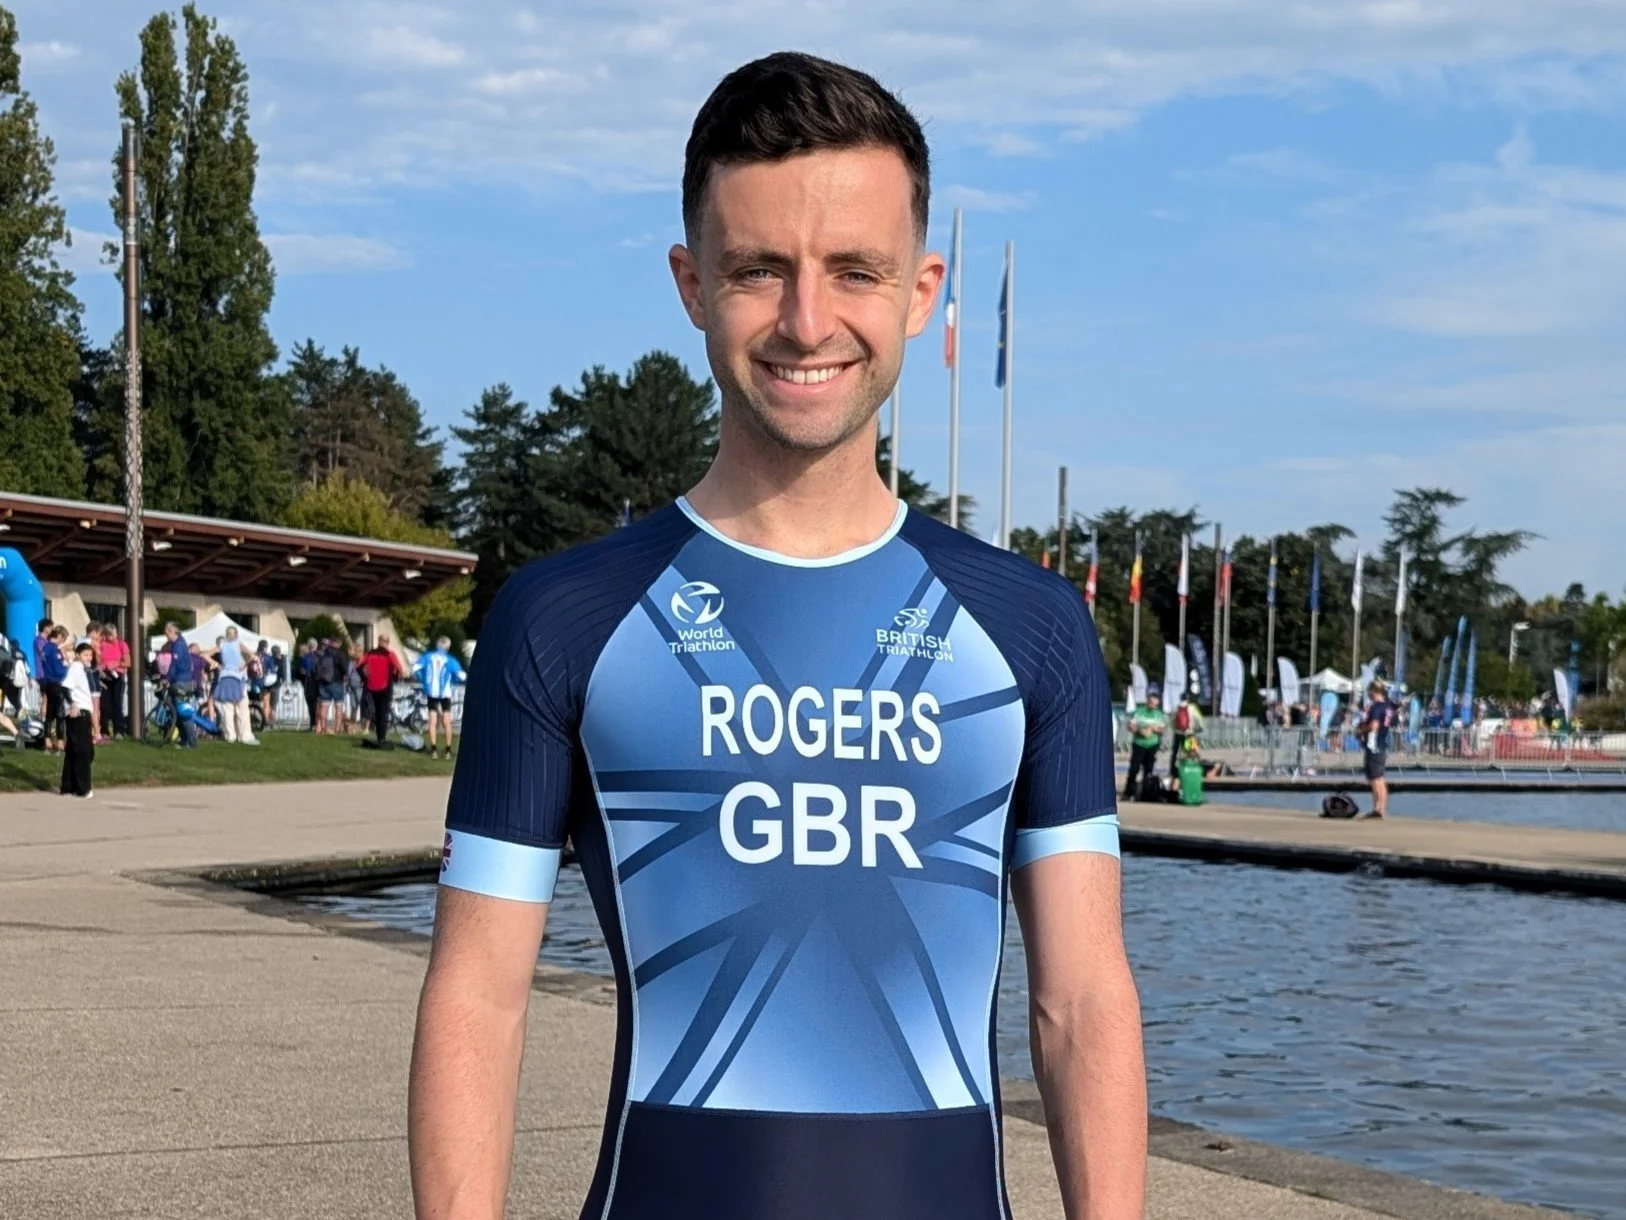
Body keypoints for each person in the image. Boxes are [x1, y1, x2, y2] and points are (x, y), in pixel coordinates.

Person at [410, 54, 1146, 1220]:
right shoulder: (565, 617)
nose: (809, 322)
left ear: (920, 288)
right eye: (759, 270)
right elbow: (478, 992)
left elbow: (1082, 999)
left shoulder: (1031, 630)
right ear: (691, 281)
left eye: (854, 268)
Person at [414, 635, 466, 760]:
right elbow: (462, 676)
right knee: (447, 722)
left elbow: (415, 669)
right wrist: (453, 680)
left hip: (431, 692)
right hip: (445, 693)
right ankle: (448, 751)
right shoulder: (450, 660)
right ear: (448, 647)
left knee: (432, 720)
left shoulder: (427, 657)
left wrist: (424, 681)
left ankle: (433, 750)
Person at [60, 640, 96, 797]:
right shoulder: (76, 667)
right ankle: (83, 788)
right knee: (83, 751)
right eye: (86, 654)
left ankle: (68, 786)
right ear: (78, 655)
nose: (89, 658)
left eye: (91, 655)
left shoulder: (84, 670)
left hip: (84, 713)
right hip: (78, 714)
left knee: (74, 751)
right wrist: (72, 704)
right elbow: (65, 687)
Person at [211, 627, 258, 745]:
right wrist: (244, 664)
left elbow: (205, 654)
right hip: (238, 677)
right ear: (237, 634)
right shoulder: (239, 644)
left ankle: (230, 736)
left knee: (227, 709)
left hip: (225, 676)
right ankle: (244, 736)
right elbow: (253, 656)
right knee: (242, 709)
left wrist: (216, 663)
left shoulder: (222, 645)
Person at [358, 636, 402, 748]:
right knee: (383, 712)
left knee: (377, 711)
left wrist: (364, 678)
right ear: (387, 643)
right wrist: (395, 677)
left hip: (372, 686)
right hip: (385, 686)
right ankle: (381, 737)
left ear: (378, 642)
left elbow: (359, 666)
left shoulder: (369, 653)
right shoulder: (389, 654)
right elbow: (399, 668)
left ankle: (379, 736)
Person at [1358, 680, 1394, 818]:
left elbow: (1374, 725)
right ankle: (1380, 808)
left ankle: (1379, 808)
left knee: (1375, 778)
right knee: (1379, 777)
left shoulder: (1377, 707)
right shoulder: (1388, 707)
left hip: (1374, 745)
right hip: (1382, 743)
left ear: (1373, 692)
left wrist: (1362, 729)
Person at [161, 622, 199, 748]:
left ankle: (191, 742)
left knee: (183, 713)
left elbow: (174, 665)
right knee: (173, 711)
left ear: (171, 631)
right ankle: (184, 739)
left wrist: (167, 679)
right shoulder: (181, 642)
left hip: (181, 682)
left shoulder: (178, 645)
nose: (166, 636)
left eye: (167, 633)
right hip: (184, 681)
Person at [1123, 688, 1166, 799]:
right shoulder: (1139, 711)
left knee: (1148, 770)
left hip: (1152, 745)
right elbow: (1130, 726)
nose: (1153, 705)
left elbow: (1162, 729)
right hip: (1139, 744)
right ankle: (1128, 793)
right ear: (1148, 701)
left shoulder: (1159, 714)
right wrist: (1139, 730)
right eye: (1151, 703)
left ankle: (1146, 793)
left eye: (1155, 704)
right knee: (1134, 769)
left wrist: (1153, 729)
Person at [38, 626, 70, 754]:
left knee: (49, 715)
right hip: (56, 683)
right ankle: (61, 744)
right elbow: (58, 670)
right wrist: (67, 666)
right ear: (59, 636)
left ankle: (47, 742)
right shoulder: (54, 650)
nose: (62, 642)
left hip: (47, 683)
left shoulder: (45, 648)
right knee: (60, 714)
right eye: (63, 639)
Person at [99, 623, 131, 738]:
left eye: (114, 634)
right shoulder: (102, 645)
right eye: (111, 636)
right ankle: (104, 730)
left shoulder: (122, 645)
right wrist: (102, 666)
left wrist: (117, 663)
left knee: (117, 703)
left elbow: (128, 663)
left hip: (117, 675)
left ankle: (119, 730)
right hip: (105, 675)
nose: (113, 637)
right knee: (105, 704)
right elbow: (98, 660)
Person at [1169, 689, 1204, 776]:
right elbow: (1199, 719)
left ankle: (1172, 771)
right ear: (1188, 699)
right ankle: (1192, 770)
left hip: (1178, 734)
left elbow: (1172, 721)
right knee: (1192, 752)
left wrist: (1175, 729)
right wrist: (1199, 728)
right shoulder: (1192, 707)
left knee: (1175, 753)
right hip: (1189, 733)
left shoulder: (1176, 707)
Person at [315, 638, 345, 734]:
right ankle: (337, 729)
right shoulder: (340, 654)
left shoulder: (323, 653)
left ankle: (323, 728)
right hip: (337, 682)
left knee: (324, 706)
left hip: (323, 683)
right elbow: (344, 668)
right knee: (338, 706)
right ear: (339, 643)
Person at [299, 639, 321, 731]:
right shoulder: (321, 656)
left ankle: (313, 724)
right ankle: (320, 724)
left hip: (310, 681)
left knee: (311, 704)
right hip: (320, 682)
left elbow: (302, 671)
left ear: (308, 646)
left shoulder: (306, 658)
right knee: (321, 704)